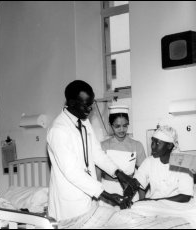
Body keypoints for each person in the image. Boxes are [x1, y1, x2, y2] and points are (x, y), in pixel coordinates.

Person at [47, 80, 140, 221]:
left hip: (88, 198)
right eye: (86, 105)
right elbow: (71, 171)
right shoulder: (58, 130)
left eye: (91, 104)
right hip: (70, 202)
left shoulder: (84, 121)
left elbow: (97, 153)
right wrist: (107, 195)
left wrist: (119, 174)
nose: (90, 109)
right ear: (71, 103)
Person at [96, 105, 146, 207]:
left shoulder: (136, 145)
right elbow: (97, 177)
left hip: (130, 192)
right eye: (117, 126)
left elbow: (144, 175)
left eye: (125, 125)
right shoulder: (103, 146)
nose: (122, 129)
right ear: (111, 126)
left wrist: (142, 200)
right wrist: (97, 199)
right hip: (108, 192)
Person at [134, 125, 194, 203]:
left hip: (176, 206)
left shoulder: (182, 164)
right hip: (152, 206)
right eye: (152, 142)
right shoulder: (149, 161)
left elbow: (185, 197)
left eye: (158, 143)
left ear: (169, 145)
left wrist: (152, 201)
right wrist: (141, 201)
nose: (153, 146)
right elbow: (138, 182)